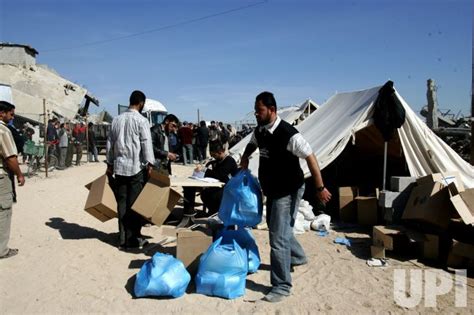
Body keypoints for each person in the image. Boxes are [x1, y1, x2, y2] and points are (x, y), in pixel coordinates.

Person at [240, 91, 332, 303]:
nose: (256, 114)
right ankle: (298, 257)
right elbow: (252, 143)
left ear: (272, 110)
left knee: (277, 238)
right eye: (255, 110)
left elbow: (311, 157)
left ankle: (281, 286)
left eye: (260, 110)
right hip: (273, 189)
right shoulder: (260, 130)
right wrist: (245, 156)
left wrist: (319, 188)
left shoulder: (288, 134)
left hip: (288, 190)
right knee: (279, 229)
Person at [106, 90, 155, 250]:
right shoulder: (141, 121)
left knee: (122, 204)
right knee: (134, 205)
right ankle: (133, 239)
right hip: (136, 169)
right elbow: (146, 144)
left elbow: (110, 144)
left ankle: (122, 238)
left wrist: (110, 164)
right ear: (141, 104)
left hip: (119, 168)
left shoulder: (116, 120)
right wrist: (150, 164)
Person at [178, 140, 238, 227]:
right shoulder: (216, 161)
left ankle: (216, 213)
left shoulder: (229, 161)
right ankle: (193, 214)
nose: (213, 157)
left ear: (220, 152)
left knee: (213, 195)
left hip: (228, 189)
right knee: (203, 192)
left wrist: (205, 170)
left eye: (214, 155)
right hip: (216, 186)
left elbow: (220, 175)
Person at [0, 84, 25, 259]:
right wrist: (19, 174)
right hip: (1, 177)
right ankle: (2, 249)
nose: (12, 117)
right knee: (4, 211)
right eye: (10, 114)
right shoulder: (3, 130)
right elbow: (10, 158)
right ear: (2, 113)